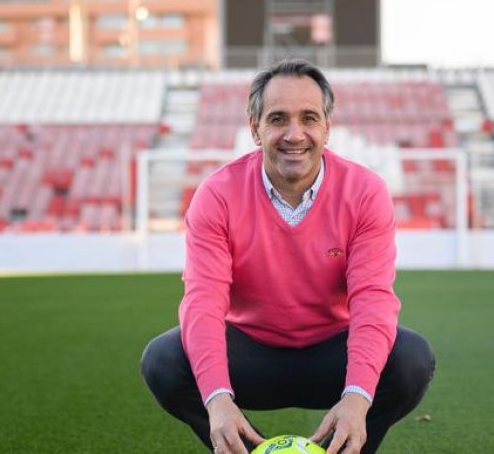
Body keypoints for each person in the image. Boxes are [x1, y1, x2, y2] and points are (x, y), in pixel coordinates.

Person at [141, 59, 435, 454]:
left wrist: (357, 397)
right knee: (163, 359)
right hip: (249, 353)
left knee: (411, 358)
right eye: (278, 119)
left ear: (326, 128)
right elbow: (203, 302)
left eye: (309, 118)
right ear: (255, 128)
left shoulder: (366, 192)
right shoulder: (216, 195)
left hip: (334, 351)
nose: (294, 134)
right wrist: (216, 400)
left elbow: (372, 299)